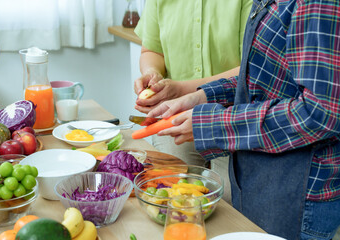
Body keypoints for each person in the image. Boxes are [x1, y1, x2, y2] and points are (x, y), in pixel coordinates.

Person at [146, 0, 340, 239]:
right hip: (262, 181)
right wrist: (202, 95)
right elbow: (262, 79)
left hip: (297, 195)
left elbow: (320, 113)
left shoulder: (317, 3)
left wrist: (213, 124)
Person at [134, 0, 252, 203]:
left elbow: (251, 67)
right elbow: (151, 50)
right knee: (167, 191)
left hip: (234, 118)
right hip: (175, 116)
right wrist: (152, 73)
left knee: (227, 204)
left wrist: (181, 88)